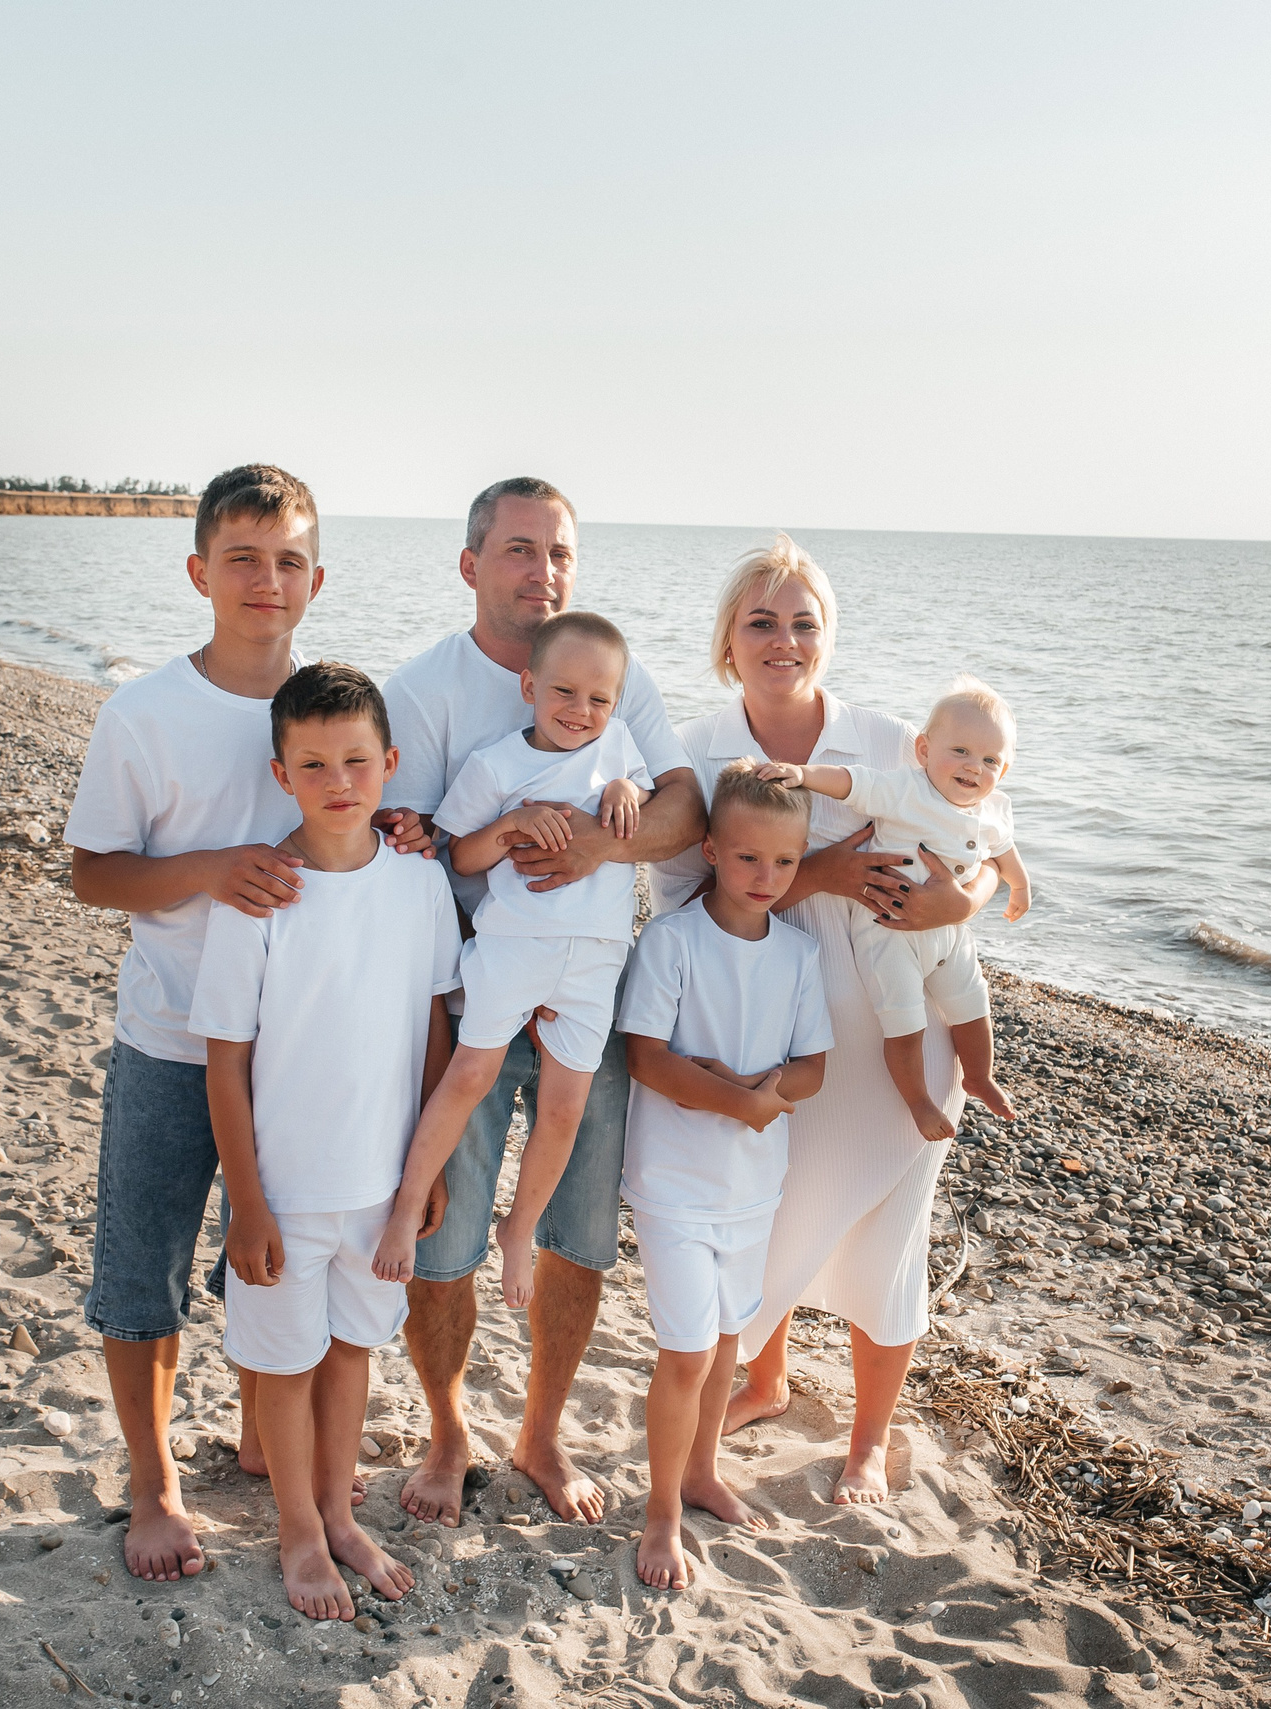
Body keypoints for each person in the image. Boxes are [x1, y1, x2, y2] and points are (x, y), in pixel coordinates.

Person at [645, 534, 1000, 1506]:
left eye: (803, 623)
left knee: (886, 1242)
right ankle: (765, 1379)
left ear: (827, 636)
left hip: (900, 1041)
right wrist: (824, 873)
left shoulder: (888, 742)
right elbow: (680, 901)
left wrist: (965, 899)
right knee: (767, 1220)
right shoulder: (694, 753)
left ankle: (867, 1442)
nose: (784, 640)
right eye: (761, 621)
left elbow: (980, 838)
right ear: (728, 639)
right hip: (767, 1035)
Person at [379, 476, 705, 1526]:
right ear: (471, 563)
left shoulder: (611, 673)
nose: (542, 570)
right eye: (520, 549)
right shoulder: (423, 690)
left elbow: (686, 809)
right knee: (446, 1237)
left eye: (559, 551)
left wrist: (597, 842)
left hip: (588, 979)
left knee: (578, 1230)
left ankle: (542, 1431)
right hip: (476, 980)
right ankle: (446, 1430)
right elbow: (414, 850)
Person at [63, 465, 331, 1582]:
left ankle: (263, 1440)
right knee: (146, 1263)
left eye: (288, 560)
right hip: (170, 1035)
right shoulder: (143, 713)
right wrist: (209, 869)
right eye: (243, 559)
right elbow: (92, 872)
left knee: (274, 1256)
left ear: (316, 579)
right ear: (199, 572)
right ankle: (154, 1480)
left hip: (299, 1048)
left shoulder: (334, 706)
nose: (267, 580)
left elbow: (374, 822)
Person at [189, 662, 460, 1620]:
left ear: (390, 763)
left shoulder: (420, 885)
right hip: (288, 1186)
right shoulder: (260, 894)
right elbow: (225, 1061)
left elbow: (436, 1024)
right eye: (313, 765)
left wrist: (425, 1168)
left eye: (356, 761)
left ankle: (341, 1515)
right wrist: (247, 1201)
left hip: (382, 1185)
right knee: (284, 1361)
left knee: (351, 1352)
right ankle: (300, 1530)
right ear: (282, 774)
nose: (338, 782)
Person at [372, 611, 654, 1310]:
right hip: (511, 948)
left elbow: (646, 793)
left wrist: (628, 789)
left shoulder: (619, 745)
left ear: (617, 703)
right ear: (529, 687)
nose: (580, 710)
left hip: (594, 961)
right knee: (469, 1075)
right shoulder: (496, 765)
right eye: (563, 692)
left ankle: (518, 1228)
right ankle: (406, 1207)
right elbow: (459, 856)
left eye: (598, 698)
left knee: (565, 1107)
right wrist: (510, 825)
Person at [619, 762, 832, 1589]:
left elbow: (813, 1065)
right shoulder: (672, 941)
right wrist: (737, 1099)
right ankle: (661, 1513)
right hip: (674, 1182)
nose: (765, 876)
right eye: (748, 857)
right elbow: (647, 1058)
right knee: (684, 1351)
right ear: (710, 849)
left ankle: (703, 1470)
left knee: (725, 1344)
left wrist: (761, 1092)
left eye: (784, 861)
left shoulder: (799, 954)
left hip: (753, 1186)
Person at [756, 675, 1031, 1137]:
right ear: (923, 750)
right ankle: (918, 1101)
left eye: (989, 760)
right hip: (888, 931)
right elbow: (852, 783)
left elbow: (1003, 851)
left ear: (1002, 772)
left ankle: (979, 1077)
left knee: (973, 1007)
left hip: (950, 936)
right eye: (960, 751)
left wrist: (1019, 886)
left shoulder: (993, 809)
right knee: (904, 1025)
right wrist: (803, 775)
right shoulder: (906, 789)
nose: (973, 767)